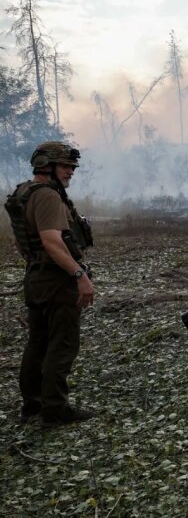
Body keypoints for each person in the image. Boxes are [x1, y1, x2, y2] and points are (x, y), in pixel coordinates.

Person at [4, 141, 95, 427]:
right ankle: (55, 410)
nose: (71, 172)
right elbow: (52, 241)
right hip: (56, 280)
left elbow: (21, 240)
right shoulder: (47, 196)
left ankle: (33, 405)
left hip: (36, 276)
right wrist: (79, 276)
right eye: (66, 166)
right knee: (62, 343)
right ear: (47, 165)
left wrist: (36, 262)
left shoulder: (24, 192)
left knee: (38, 342)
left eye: (72, 166)